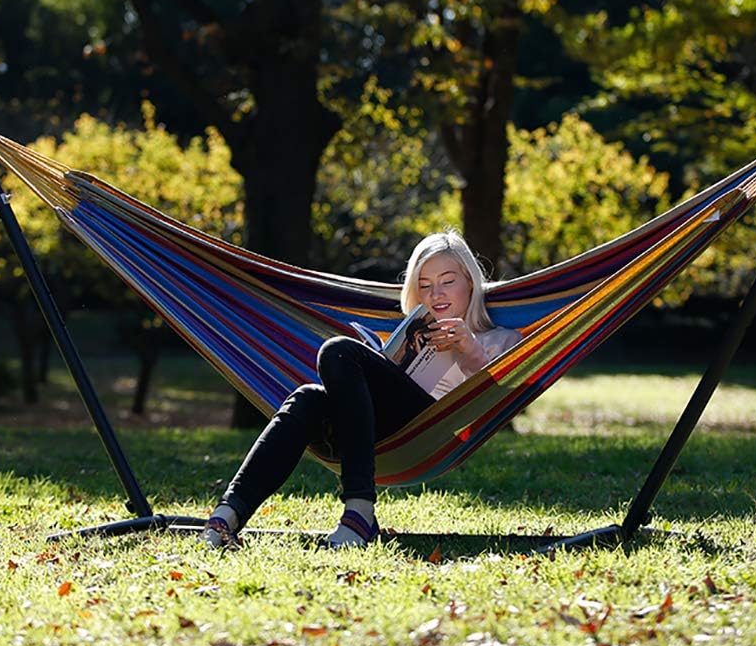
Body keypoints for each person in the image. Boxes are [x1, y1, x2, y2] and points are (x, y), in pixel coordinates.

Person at [202, 230, 523, 549]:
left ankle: (359, 512)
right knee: (308, 397)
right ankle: (227, 515)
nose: (436, 293)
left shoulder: (503, 340)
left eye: (448, 281)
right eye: (424, 285)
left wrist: (471, 350)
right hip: (380, 433)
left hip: (432, 434)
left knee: (339, 350)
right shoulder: (414, 335)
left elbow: (496, 403)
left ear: (470, 281)